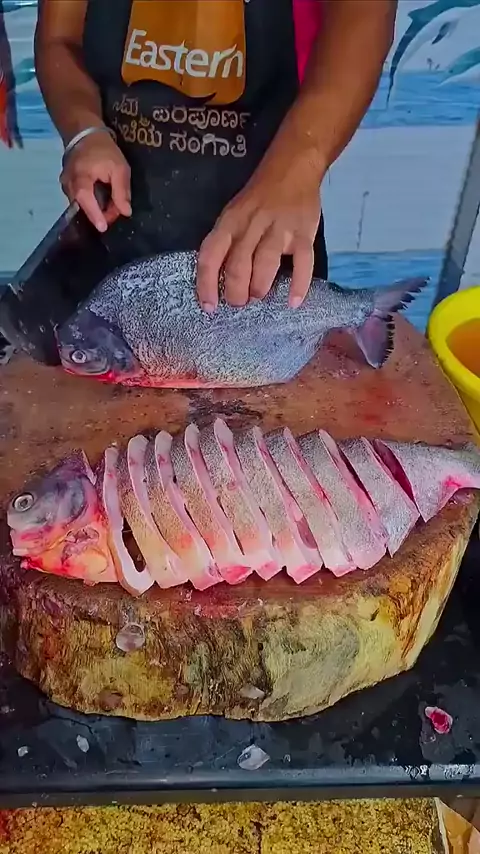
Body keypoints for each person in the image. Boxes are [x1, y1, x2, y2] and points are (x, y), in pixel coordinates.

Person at [35, 0, 397, 312]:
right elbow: (59, 38)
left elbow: (365, 13)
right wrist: (85, 132)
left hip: (267, 253)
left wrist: (297, 168)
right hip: (109, 254)